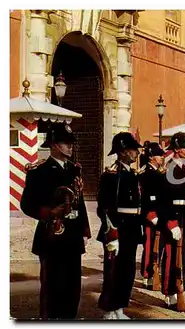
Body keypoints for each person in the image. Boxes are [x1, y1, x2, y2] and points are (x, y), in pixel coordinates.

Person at [21, 123, 90, 319]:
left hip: (73, 237)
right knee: (52, 287)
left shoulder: (75, 169)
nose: (70, 147)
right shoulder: (39, 172)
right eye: (65, 143)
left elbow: (80, 201)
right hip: (51, 237)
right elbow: (27, 204)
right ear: (53, 145)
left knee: (72, 287)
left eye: (71, 143)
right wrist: (50, 213)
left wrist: (85, 231)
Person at [96, 132, 143, 320]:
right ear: (122, 152)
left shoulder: (132, 174)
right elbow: (104, 208)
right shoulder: (111, 175)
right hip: (117, 228)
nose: (136, 153)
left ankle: (120, 307)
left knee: (127, 271)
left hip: (131, 229)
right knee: (113, 272)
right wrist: (111, 233)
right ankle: (109, 309)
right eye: (132, 149)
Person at [158, 132, 185, 311]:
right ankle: (170, 294)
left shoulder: (184, 169)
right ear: (177, 149)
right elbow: (164, 201)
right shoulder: (169, 170)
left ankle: (181, 290)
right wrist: (172, 224)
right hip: (173, 221)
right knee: (172, 258)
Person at [138, 142, 165, 289]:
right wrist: (151, 215)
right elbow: (144, 198)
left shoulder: (158, 173)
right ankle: (147, 274)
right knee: (149, 246)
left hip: (159, 215)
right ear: (151, 157)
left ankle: (154, 271)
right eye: (159, 155)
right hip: (150, 216)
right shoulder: (145, 173)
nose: (161, 157)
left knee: (158, 246)